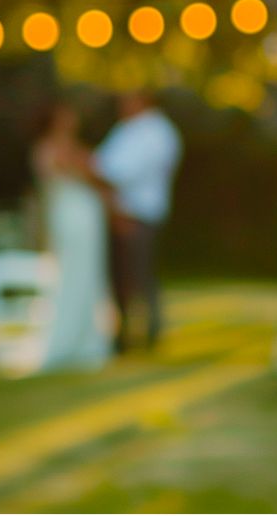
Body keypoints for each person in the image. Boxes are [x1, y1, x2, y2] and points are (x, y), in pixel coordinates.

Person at [93, 89, 182, 354]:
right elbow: (102, 164)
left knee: (141, 279)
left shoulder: (157, 132)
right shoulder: (126, 130)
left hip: (140, 216)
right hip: (119, 215)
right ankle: (123, 336)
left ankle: (150, 334)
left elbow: (119, 172)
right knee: (120, 280)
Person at [31, 101, 112, 372]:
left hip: (86, 214)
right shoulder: (49, 148)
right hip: (70, 215)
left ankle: (89, 339)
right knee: (71, 274)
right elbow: (81, 173)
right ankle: (67, 340)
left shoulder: (75, 147)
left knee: (90, 274)